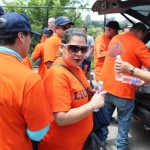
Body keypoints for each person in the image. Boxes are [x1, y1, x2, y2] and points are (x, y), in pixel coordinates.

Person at [38, 28, 105, 150]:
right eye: (73, 48)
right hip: (59, 144)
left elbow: (82, 94)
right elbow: (61, 118)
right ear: (61, 48)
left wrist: (94, 94)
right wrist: (92, 105)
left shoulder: (77, 68)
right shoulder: (57, 74)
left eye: (83, 49)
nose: (79, 53)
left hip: (78, 142)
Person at [0, 12, 53, 150]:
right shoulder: (28, 78)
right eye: (30, 35)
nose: (30, 41)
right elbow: (37, 133)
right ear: (21, 36)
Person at [100, 22, 150, 150]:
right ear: (140, 33)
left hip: (107, 87)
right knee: (124, 120)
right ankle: (121, 146)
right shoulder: (139, 44)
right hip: (124, 91)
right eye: (144, 36)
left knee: (105, 118)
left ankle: (100, 141)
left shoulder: (116, 38)